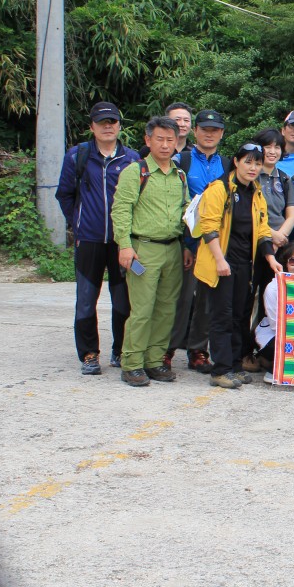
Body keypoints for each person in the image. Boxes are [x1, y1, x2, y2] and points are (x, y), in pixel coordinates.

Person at [56, 101, 139, 374]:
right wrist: (79, 224)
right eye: (102, 122)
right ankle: (89, 353)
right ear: (91, 126)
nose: (107, 126)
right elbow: (64, 194)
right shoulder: (77, 156)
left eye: (112, 121)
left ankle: (120, 350)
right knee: (86, 299)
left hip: (121, 242)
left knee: (123, 300)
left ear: (119, 126)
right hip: (89, 240)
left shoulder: (132, 159)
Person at [194, 143, 282, 388]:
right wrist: (220, 260)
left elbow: (262, 230)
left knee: (240, 316)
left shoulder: (256, 191)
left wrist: (271, 258)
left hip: (245, 263)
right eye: (248, 162)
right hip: (221, 262)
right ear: (236, 162)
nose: (253, 168)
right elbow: (208, 227)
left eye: (257, 163)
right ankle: (220, 370)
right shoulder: (219, 188)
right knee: (222, 316)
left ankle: (234, 365)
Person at [111, 116, 189, 387]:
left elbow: (185, 210)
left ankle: (155, 360)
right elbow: (121, 210)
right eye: (160, 139)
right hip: (143, 249)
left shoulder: (179, 175)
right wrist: (124, 245)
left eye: (170, 140)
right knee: (142, 309)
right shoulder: (136, 171)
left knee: (166, 309)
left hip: (173, 248)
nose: (165, 145)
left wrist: (188, 244)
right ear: (148, 140)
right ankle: (132, 363)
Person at [164, 108, 226, 371]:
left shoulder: (228, 164)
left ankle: (198, 350)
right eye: (204, 129)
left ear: (221, 134)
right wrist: (186, 245)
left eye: (215, 130)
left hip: (216, 241)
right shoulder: (182, 160)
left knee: (206, 300)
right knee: (180, 298)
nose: (209, 134)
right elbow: (173, 202)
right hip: (189, 239)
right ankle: (166, 349)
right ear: (195, 131)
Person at [255, 240, 294, 380]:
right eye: (293, 262)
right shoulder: (274, 288)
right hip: (277, 335)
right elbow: (277, 326)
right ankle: (273, 366)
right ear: (285, 263)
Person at [254, 129, 294, 250]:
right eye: (267, 147)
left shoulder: (285, 179)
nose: (272, 152)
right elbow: (247, 214)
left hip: (280, 243)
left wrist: (279, 239)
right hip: (254, 240)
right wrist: (273, 236)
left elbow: (292, 217)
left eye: (277, 147)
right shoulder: (251, 176)